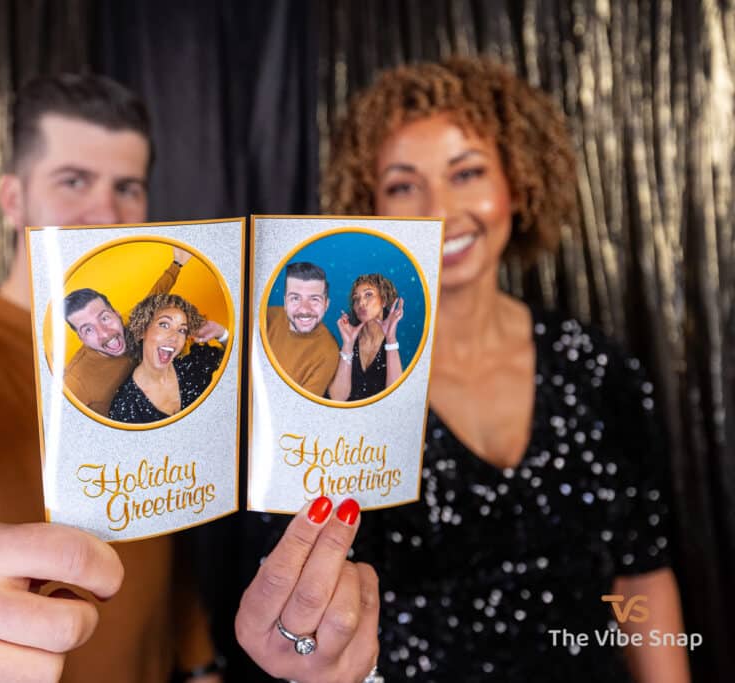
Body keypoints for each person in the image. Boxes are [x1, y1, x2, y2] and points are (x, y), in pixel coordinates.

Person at [0, 73, 380, 683]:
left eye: (127, 188)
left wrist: (196, 661)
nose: (106, 213)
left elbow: (155, 520)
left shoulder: (151, 336)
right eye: (74, 181)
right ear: (13, 199)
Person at [317, 56, 689, 681]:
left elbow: (642, 574)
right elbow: (318, 614)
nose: (440, 208)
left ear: (518, 184)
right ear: (369, 208)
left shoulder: (596, 368)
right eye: (405, 185)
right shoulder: (341, 391)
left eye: (468, 173)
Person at [61, 246, 201, 417]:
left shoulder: (130, 324)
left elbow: (154, 296)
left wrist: (177, 263)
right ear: (81, 337)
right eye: (88, 329)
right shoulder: (74, 383)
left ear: (117, 314)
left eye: (105, 318)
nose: (105, 333)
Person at [109, 293, 226, 423]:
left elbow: (240, 362)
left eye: (181, 330)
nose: (174, 337)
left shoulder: (193, 363)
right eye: (164, 325)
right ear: (142, 330)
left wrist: (222, 333)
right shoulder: (125, 406)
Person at [265, 261, 340, 397]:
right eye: (295, 298)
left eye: (314, 299)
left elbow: (299, 408)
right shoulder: (266, 317)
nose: (304, 309)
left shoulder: (328, 351)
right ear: (285, 302)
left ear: (326, 304)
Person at [327, 273, 405, 401]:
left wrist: (391, 339)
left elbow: (396, 399)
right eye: (356, 298)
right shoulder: (351, 338)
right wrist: (348, 345)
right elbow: (337, 397)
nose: (361, 303)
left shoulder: (393, 342)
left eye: (368, 295)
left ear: (384, 300)